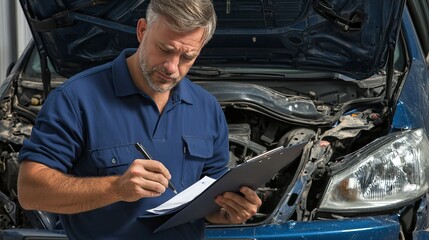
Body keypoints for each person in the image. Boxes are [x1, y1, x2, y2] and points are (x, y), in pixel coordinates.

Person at [17, 0, 262, 239]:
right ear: (142, 30)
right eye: (165, 49)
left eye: (187, 57)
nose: (172, 67)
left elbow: (209, 203)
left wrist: (228, 211)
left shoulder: (207, 108)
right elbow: (30, 191)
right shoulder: (75, 99)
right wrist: (115, 188)